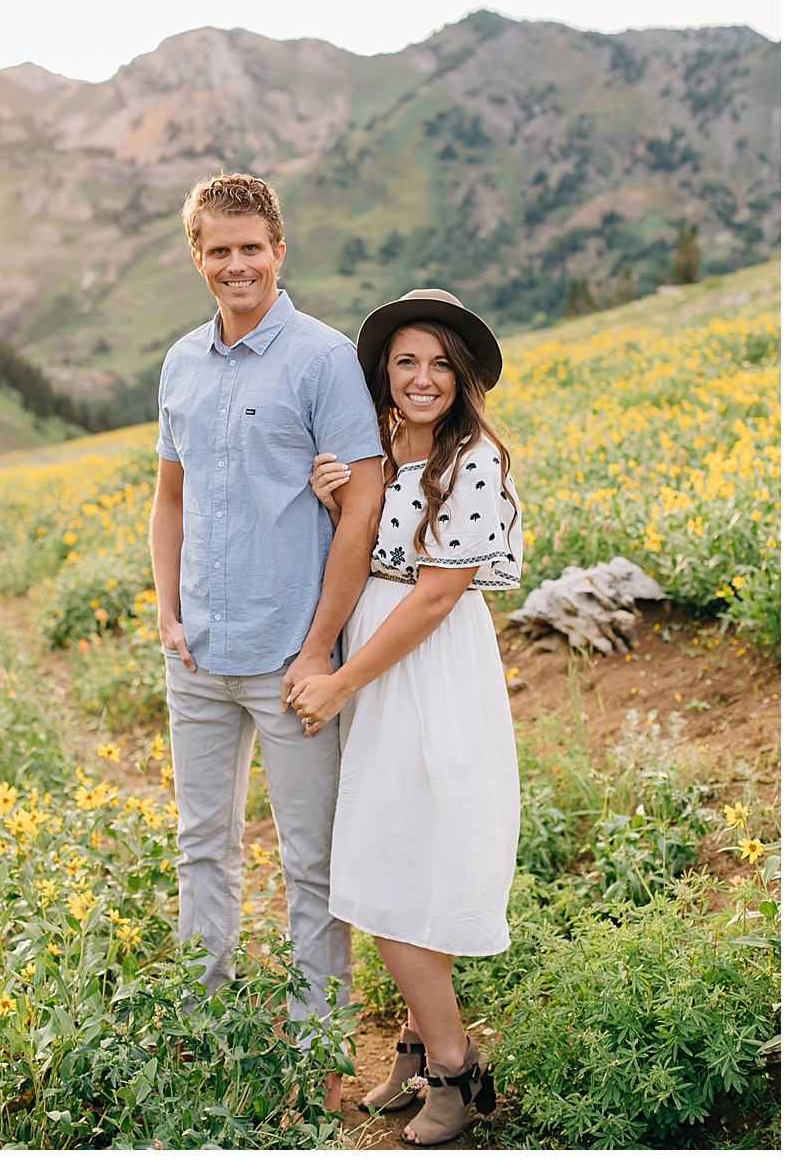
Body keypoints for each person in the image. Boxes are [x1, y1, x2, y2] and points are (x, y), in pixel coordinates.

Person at [148, 173, 385, 1102]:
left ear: (279, 250)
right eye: (219, 249)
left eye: (252, 247)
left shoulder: (325, 360)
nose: (236, 263)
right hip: (198, 657)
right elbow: (169, 500)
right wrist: (169, 613)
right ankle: (201, 1027)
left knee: (310, 859)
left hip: (293, 659)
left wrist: (321, 647)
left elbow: (360, 513)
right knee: (201, 845)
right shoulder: (179, 363)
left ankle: (315, 1049)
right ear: (198, 257)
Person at [292, 289, 521, 1146]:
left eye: (439, 364)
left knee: (391, 871)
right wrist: (338, 500)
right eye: (406, 362)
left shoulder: (473, 463)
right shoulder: (379, 450)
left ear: (461, 379)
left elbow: (429, 602)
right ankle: (421, 1045)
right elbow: (373, 552)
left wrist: (341, 680)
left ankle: (458, 1067)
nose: (422, 379)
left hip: (426, 673)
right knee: (397, 857)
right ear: (384, 374)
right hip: (381, 666)